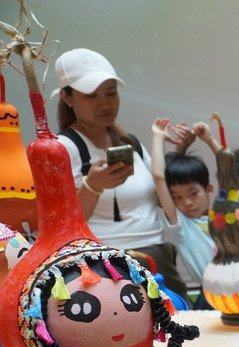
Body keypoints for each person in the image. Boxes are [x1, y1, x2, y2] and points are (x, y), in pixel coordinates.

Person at [52, 48, 188, 300]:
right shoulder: (63, 148)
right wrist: (93, 186)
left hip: (159, 259)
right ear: (67, 97)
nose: (104, 103)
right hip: (107, 268)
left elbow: (161, 197)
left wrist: (180, 153)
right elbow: (60, 226)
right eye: (91, 95)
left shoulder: (130, 143)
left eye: (111, 92)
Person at [149, 118, 216, 303]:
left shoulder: (224, 214)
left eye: (193, 193)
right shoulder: (181, 223)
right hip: (210, 295)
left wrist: (209, 140)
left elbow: (229, 172)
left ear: (209, 189)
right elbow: (159, 177)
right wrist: (158, 138)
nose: (187, 202)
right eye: (177, 197)